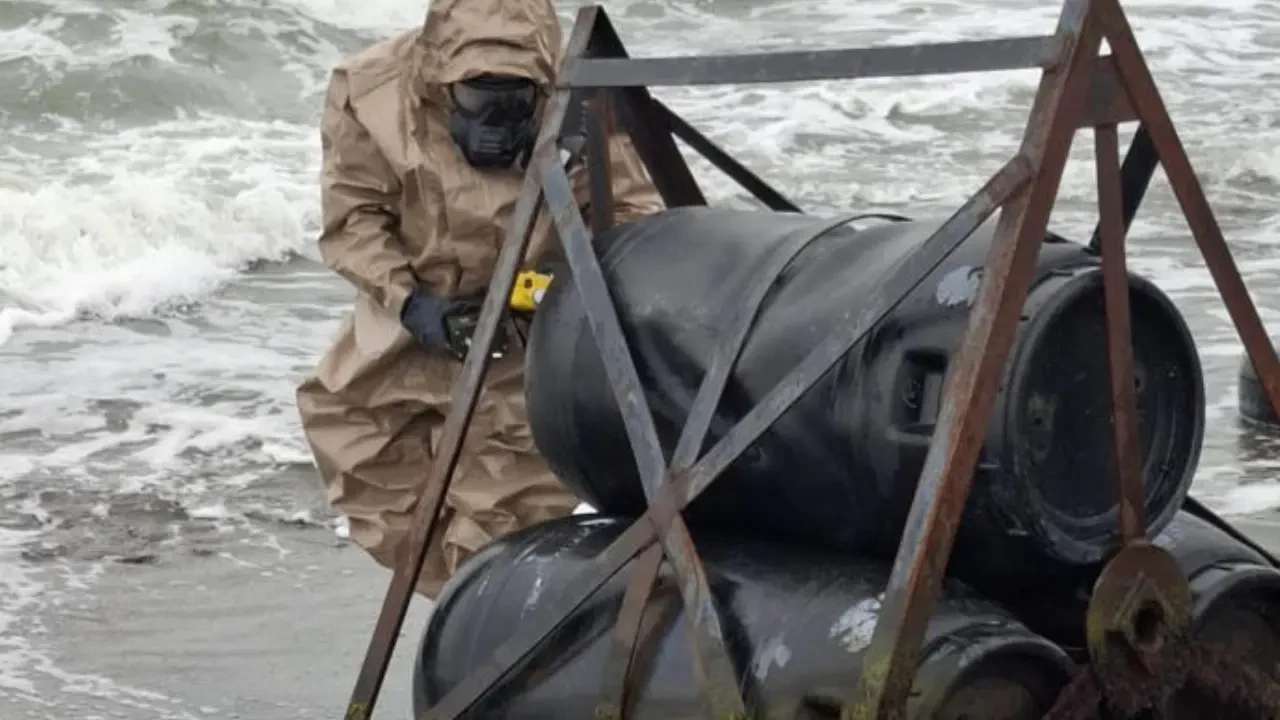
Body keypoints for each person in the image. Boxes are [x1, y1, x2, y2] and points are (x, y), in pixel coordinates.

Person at [295, 0, 664, 600]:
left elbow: (630, 217)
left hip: (529, 326)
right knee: (360, 453)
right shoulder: (372, 90)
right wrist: (414, 306)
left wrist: (558, 294)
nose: (494, 117)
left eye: (512, 99)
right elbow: (353, 218)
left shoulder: (580, 101)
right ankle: (466, 604)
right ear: (439, 80)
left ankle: (481, 624)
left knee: (504, 505)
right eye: (477, 96)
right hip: (413, 310)